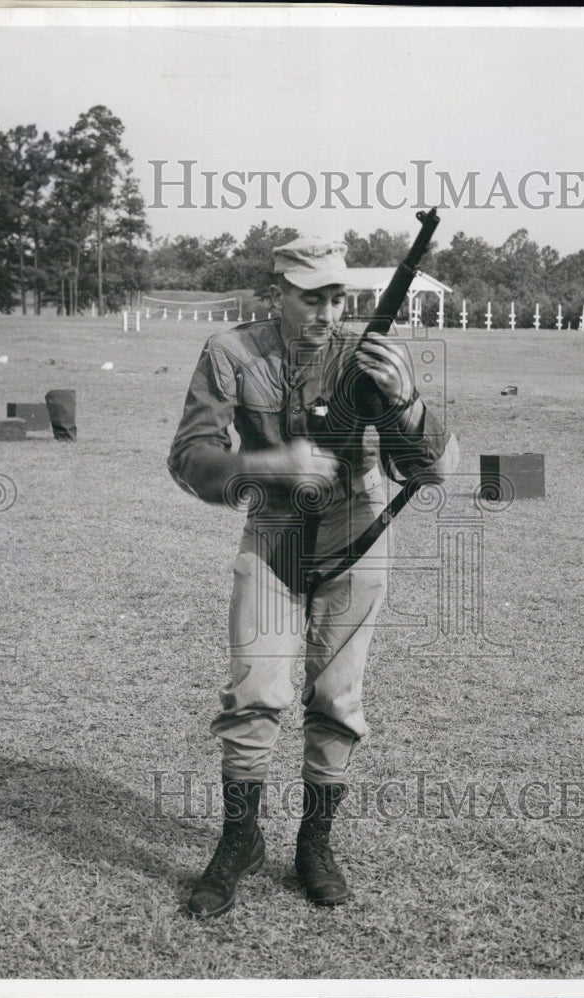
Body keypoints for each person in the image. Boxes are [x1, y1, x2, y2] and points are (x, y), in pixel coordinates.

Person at [168, 236, 458, 918]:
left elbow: (432, 470)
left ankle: (314, 843)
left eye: (338, 298)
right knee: (255, 696)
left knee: (336, 701)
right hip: (272, 540)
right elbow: (189, 457)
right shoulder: (230, 352)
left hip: (355, 541)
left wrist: (408, 398)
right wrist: (268, 466)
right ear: (277, 294)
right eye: (311, 298)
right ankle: (240, 842)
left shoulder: (366, 358)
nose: (328, 313)